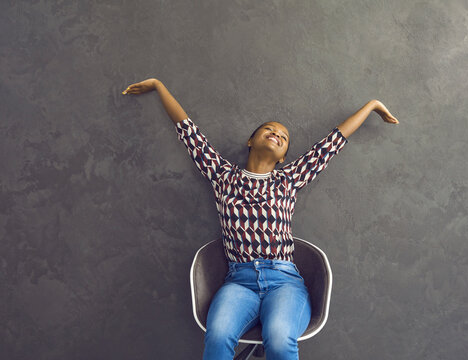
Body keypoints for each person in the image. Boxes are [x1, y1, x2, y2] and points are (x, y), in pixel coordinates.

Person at [122, 78, 398, 360]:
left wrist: (372, 105)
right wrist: (158, 85)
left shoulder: (289, 179)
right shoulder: (223, 177)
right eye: (269, 129)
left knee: (278, 340)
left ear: (283, 158)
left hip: (284, 282)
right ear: (251, 141)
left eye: (283, 136)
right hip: (239, 283)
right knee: (216, 338)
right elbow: (188, 131)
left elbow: (333, 141)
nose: (276, 133)